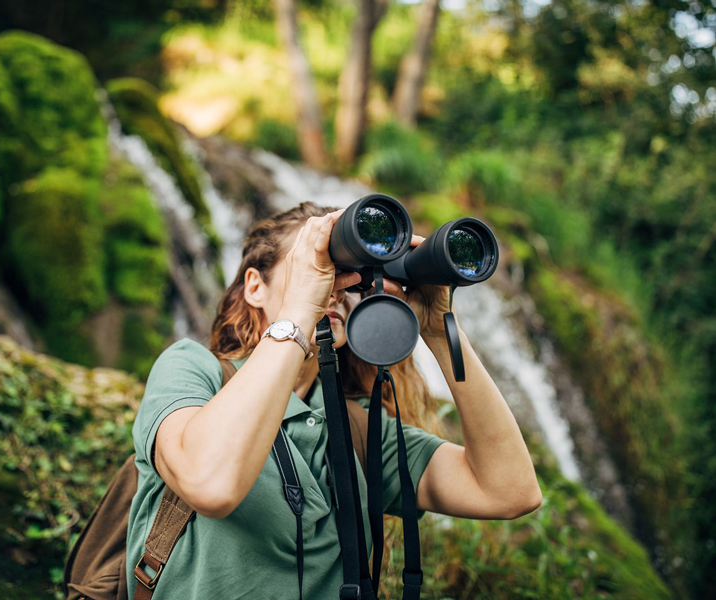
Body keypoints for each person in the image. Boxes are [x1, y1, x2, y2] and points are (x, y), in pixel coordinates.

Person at [126, 202, 542, 599]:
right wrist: (300, 311)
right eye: (315, 268)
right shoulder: (192, 370)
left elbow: (509, 492)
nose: (334, 289)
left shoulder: (356, 428)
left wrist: (438, 330)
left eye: (347, 277)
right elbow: (211, 484)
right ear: (255, 286)